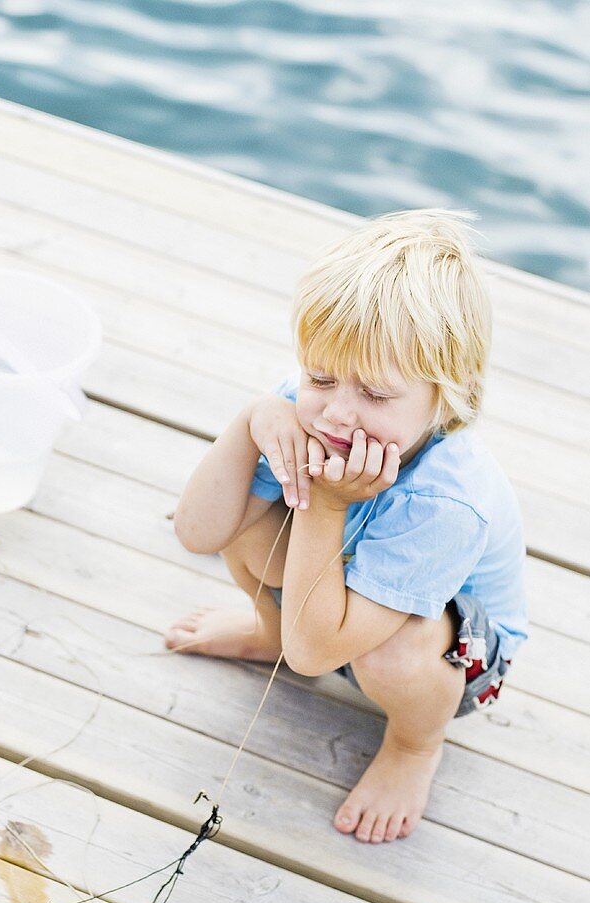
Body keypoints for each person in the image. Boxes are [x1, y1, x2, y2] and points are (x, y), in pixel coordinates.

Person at [165, 209, 528, 844]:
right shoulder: (314, 406)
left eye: (377, 396)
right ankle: (267, 632)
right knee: (252, 525)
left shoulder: (446, 502)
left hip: (457, 656)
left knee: (395, 643)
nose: (337, 412)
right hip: (326, 614)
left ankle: (414, 746)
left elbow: (317, 655)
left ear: (448, 396)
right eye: (320, 377)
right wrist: (253, 420)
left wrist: (326, 506)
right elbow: (199, 532)